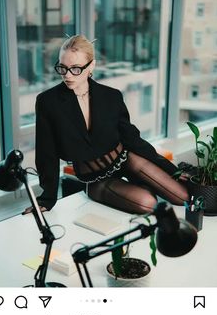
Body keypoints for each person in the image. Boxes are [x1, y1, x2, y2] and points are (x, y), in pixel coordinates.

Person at [23, 34, 189, 215]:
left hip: (126, 159)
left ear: (91, 66)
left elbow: (133, 139)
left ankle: (140, 181)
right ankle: (140, 185)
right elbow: (46, 153)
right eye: (62, 68)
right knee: (148, 203)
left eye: (76, 68)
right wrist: (47, 199)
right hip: (95, 179)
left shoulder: (111, 96)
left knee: (182, 197)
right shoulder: (48, 102)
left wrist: (173, 170)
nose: (68, 75)